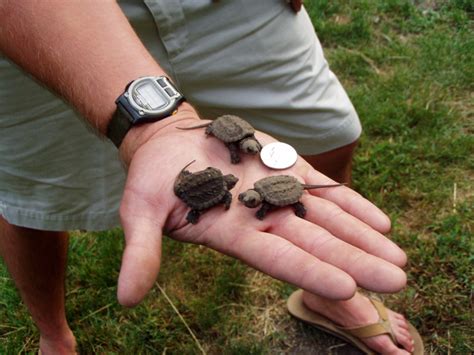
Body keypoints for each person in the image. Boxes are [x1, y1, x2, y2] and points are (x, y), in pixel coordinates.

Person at [0, 1, 422, 354]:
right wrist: (158, 130)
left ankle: (327, 297)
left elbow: (243, 187)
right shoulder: (227, 187)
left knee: (330, 132)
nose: (247, 197)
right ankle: (54, 334)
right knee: (30, 199)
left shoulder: (243, 186)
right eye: (251, 201)